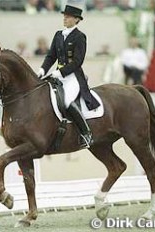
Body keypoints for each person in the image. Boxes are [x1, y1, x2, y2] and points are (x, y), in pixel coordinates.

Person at [37, 4, 100, 148]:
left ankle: (86, 133)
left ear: (76, 19)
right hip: (58, 76)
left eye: (68, 16)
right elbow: (51, 56)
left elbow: (78, 61)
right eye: (64, 16)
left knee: (66, 101)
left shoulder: (80, 36)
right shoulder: (58, 35)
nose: (64, 18)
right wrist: (42, 70)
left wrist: (61, 72)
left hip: (73, 77)